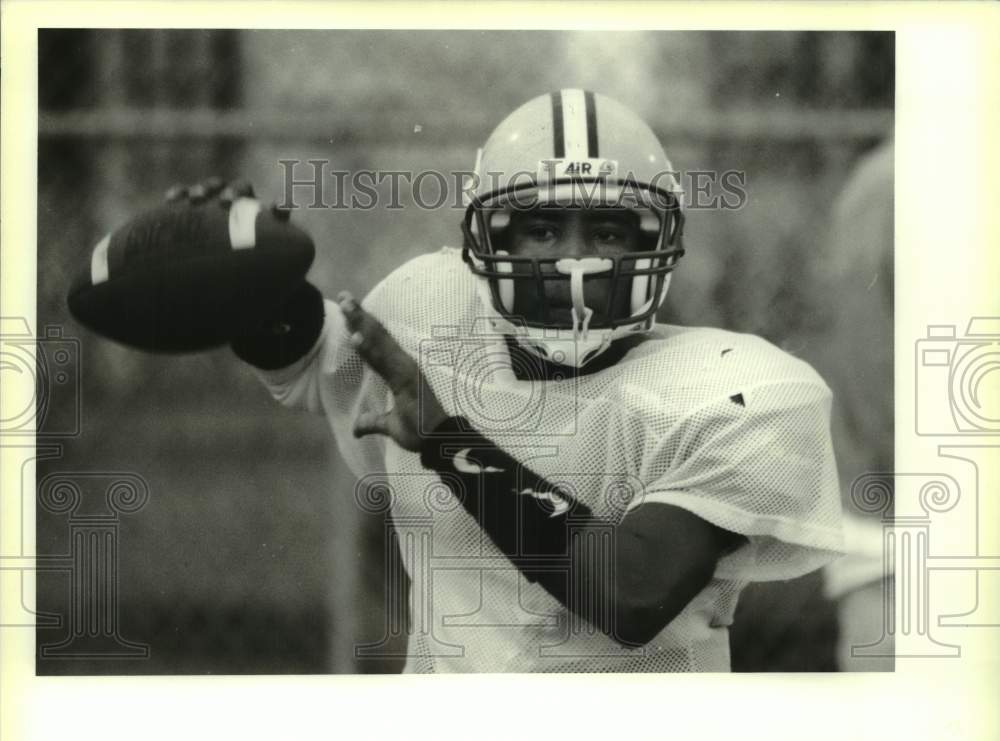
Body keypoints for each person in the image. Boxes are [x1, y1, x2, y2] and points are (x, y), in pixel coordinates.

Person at [220, 89, 845, 673]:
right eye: (542, 230)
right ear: (487, 242)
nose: (573, 261)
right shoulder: (429, 311)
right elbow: (311, 355)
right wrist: (248, 288)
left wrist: (447, 442)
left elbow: (628, 592)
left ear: (658, 243)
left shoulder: (740, 392)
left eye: (606, 232)